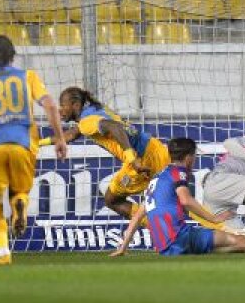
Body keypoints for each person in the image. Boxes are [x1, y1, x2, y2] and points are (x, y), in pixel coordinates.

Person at [0, 35, 68, 265]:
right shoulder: (28, 77)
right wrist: (60, 139)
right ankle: (19, 204)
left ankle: (4, 253)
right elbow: (51, 105)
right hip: (23, 144)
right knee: (20, 191)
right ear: (13, 55)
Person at [112, 138, 245, 257]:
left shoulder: (156, 179)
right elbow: (186, 200)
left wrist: (123, 247)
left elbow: (138, 216)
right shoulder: (178, 172)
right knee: (244, 242)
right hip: (179, 237)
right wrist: (214, 219)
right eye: (194, 156)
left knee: (229, 245)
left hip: (164, 247)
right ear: (189, 157)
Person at [57, 87, 170, 221]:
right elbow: (72, 134)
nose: (60, 110)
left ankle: (157, 227)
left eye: (63, 105)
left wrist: (131, 159)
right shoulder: (94, 110)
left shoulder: (86, 122)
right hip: (155, 147)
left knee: (112, 200)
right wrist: (39, 142)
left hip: (140, 159)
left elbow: (115, 127)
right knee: (176, 197)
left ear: (75, 105)